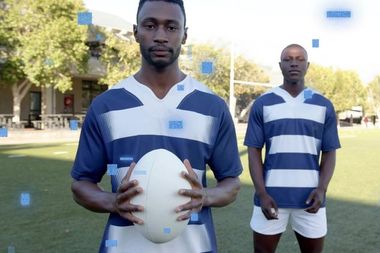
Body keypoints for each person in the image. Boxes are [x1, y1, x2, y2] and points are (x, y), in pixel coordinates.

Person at [70, 0, 242, 252]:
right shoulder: (106, 106)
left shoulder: (212, 107)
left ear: (185, 35)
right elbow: (81, 184)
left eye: (171, 27)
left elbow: (232, 183)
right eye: (150, 25)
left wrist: (206, 196)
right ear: (136, 31)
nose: (160, 36)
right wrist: (112, 201)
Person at [244, 44, 341, 253]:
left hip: (311, 199)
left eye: (299, 59)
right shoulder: (263, 103)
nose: (294, 63)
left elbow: (330, 152)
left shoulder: (323, 105)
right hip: (270, 197)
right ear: (280, 66)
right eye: (288, 59)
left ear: (307, 65)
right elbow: (253, 151)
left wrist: (322, 189)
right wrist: (261, 193)